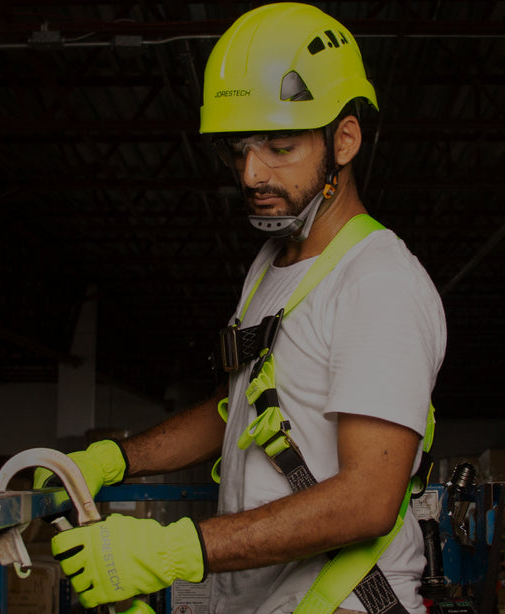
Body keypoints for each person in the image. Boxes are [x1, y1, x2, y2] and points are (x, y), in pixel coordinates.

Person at [45, 4, 446, 613]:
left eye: (280, 146)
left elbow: (369, 498)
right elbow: (244, 405)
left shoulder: (377, 281)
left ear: (344, 139)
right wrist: (117, 458)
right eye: (240, 150)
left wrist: (172, 550)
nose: (253, 172)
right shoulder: (271, 264)